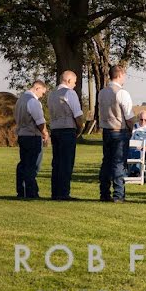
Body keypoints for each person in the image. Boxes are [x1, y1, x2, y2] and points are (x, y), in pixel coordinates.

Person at [98, 65, 135, 202]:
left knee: (106, 162)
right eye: (124, 75)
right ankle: (119, 194)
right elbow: (129, 116)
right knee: (119, 163)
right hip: (119, 130)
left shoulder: (102, 92)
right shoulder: (121, 92)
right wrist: (131, 129)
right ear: (119, 75)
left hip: (106, 130)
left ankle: (104, 192)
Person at [47, 71, 85, 200]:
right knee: (66, 163)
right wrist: (80, 129)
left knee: (56, 162)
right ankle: (64, 192)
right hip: (67, 129)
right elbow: (78, 115)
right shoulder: (69, 93)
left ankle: (55, 191)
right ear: (68, 81)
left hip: (55, 130)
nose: (74, 85)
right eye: (74, 82)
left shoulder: (51, 94)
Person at [15, 80, 49, 199]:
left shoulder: (20, 100)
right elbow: (40, 121)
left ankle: (21, 190)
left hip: (22, 135)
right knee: (33, 165)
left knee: (23, 164)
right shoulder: (33, 101)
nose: (42, 96)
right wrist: (45, 133)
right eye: (43, 93)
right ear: (37, 88)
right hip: (32, 136)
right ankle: (31, 192)